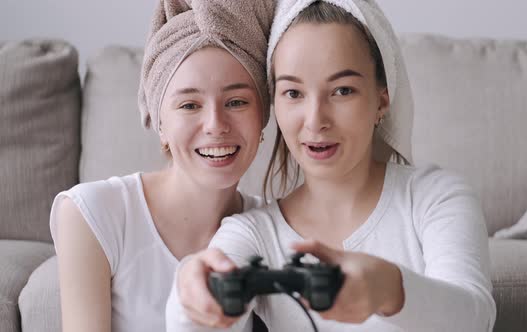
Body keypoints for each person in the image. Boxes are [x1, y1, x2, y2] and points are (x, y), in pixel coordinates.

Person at [166, 0, 497, 331]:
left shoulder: (435, 198)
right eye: (294, 93)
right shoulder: (251, 233)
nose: (315, 121)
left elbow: (475, 318)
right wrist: (190, 292)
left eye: (342, 90)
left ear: (382, 99)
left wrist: (387, 288)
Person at [50, 1, 275, 331]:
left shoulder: (269, 228)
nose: (215, 124)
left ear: (262, 118)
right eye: (189, 104)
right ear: (159, 123)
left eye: (236, 101)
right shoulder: (92, 213)